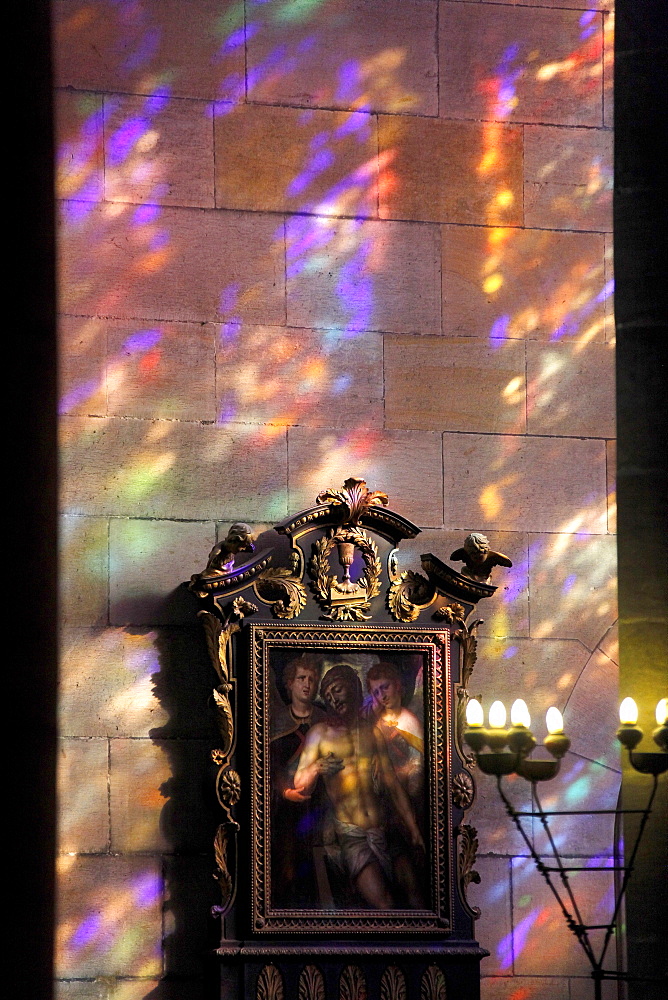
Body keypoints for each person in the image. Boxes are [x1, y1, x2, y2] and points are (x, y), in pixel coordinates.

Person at [293, 663, 424, 910]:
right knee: (384, 905)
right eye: (328, 697)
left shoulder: (372, 733)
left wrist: (413, 828)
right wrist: (317, 767)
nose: (333, 700)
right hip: (351, 836)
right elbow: (299, 783)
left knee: (413, 895)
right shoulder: (319, 734)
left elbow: (393, 786)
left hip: (383, 830)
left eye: (338, 691)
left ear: (353, 688)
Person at [269, 654, 328, 908]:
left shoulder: (325, 721)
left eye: (312, 680)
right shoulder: (276, 721)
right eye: (301, 678)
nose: (307, 684)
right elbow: (270, 766)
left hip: (321, 806)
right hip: (285, 811)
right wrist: (285, 792)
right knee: (287, 865)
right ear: (290, 683)